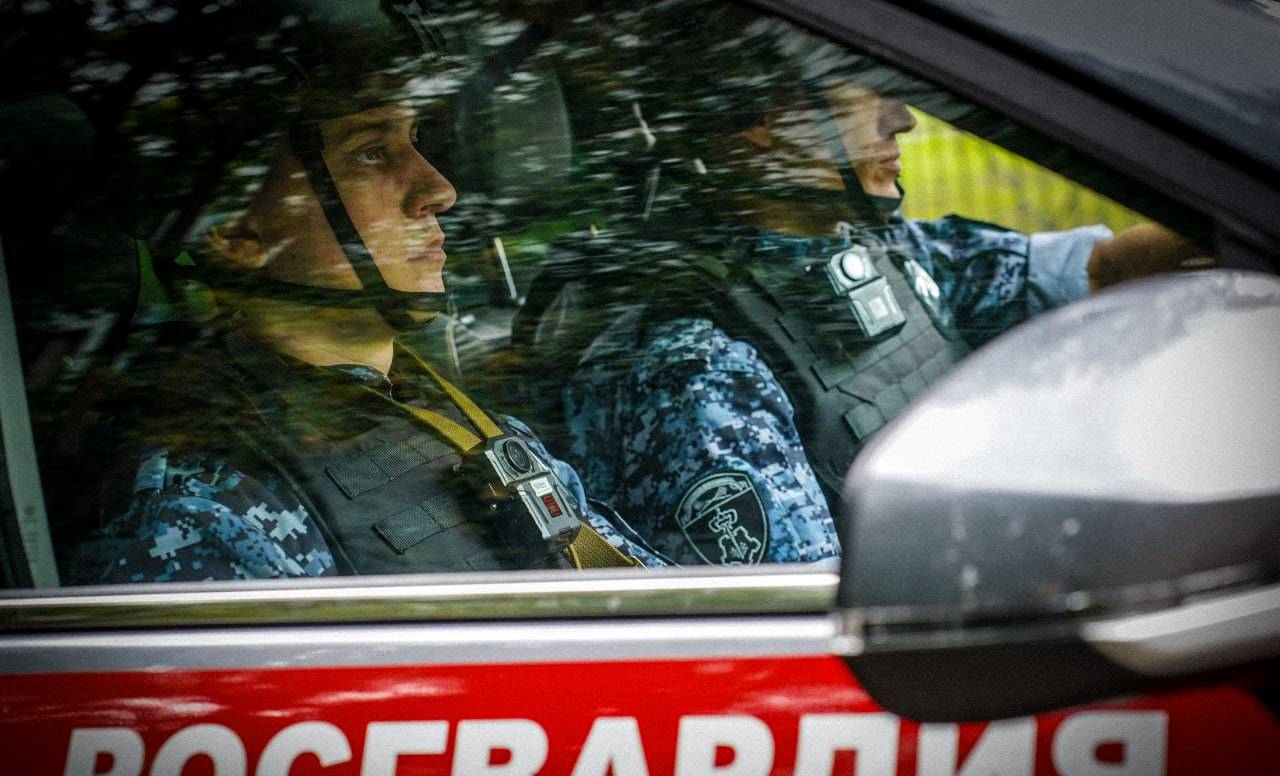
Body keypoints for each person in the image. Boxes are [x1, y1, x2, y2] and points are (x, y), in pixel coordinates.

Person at [528, 40, 1200, 566]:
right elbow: (800, 614)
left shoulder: (876, 251)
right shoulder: (700, 366)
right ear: (765, 120)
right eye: (865, 91)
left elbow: (1101, 272)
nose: (902, 119)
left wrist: (1218, 227)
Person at [62, 0, 661, 583]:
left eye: (414, 143)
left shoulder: (470, 424)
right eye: (371, 154)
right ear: (236, 233)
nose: (439, 190)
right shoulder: (209, 514)